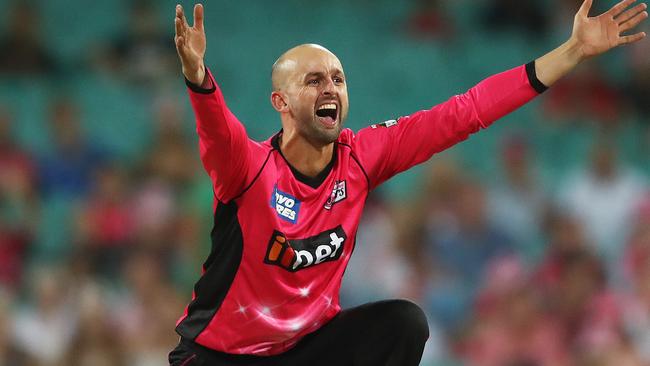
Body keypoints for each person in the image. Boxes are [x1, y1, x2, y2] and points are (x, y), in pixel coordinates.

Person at [169, 1, 647, 365]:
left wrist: (574, 50)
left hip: (303, 350)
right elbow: (217, 130)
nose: (331, 88)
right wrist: (197, 76)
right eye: (313, 81)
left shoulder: (362, 158)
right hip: (218, 355)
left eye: (338, 78)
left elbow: (467, 112)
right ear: (282, 101)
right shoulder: (249, 169)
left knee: (404, 324)